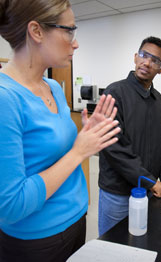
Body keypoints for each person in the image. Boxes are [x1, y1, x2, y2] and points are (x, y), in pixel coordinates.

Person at [0, 0, 121, 261]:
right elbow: (10, 206)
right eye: (69, 31)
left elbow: (52, 153)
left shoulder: (53, 87)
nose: (75, 42)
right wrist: (79, 152)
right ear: (37, 31)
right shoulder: (5, 99)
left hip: (76, 219)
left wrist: (86, 134)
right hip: (37, 241)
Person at [98, 36, 161, 236]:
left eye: (155, 60)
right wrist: (150, 181)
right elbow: (114, 148)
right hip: (118, 193)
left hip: (147, 192)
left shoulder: (159, 101)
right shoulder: (114, 93)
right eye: (144, 55)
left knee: (139, 245)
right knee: (112, 247)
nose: (147, 62)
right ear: (136, 57)